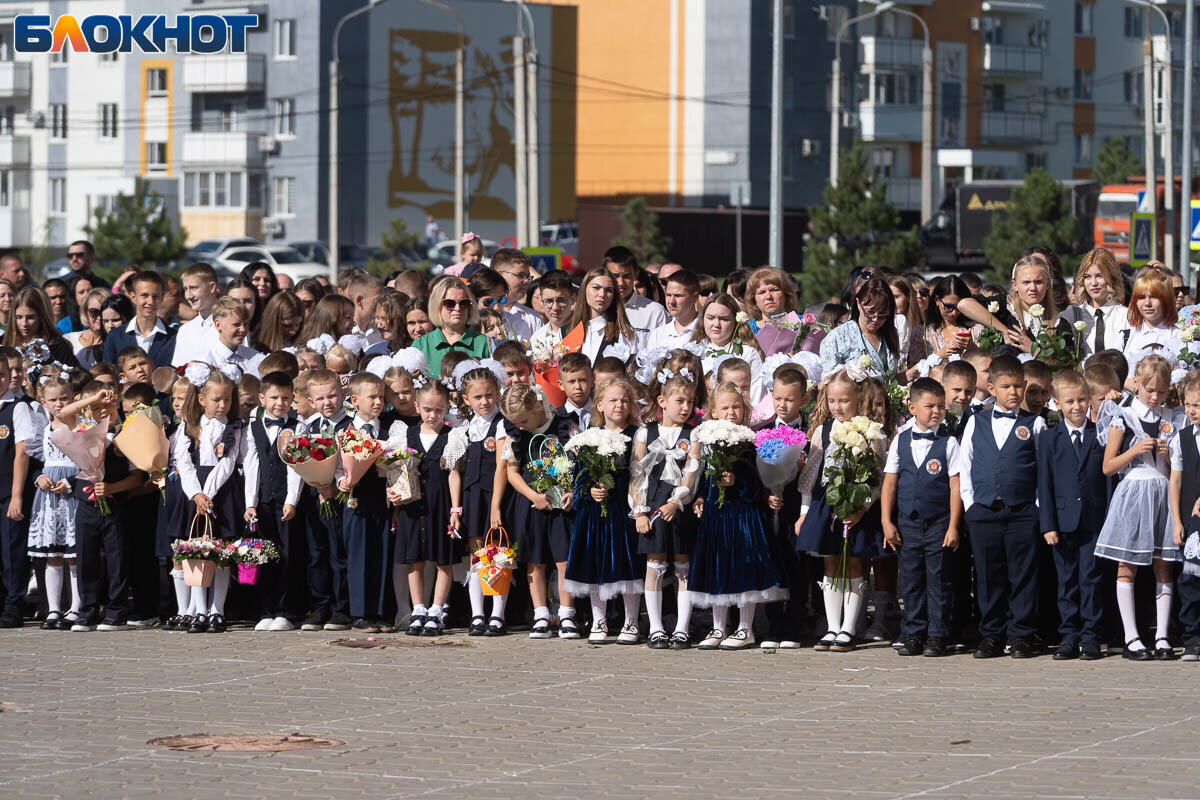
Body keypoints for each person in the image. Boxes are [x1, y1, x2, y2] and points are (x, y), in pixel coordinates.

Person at [954, 354, 1046, 659]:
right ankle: (990, 635)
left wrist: (1034, 507)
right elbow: (965, 464)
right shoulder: (975, 421)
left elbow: (1042, 470)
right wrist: (970, 504)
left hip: (1021, 511)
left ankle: (1021, 634)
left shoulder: (1035, 423)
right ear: (991, 387)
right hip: (984, 509)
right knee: (987, 575)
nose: (1014, 392)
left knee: (1022, 575)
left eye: (1019, 386)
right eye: (1006, 386)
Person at [688, 382, 787, 650]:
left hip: (743, 515)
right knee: (719, 568)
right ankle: (719, 626)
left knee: (744, 569)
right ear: (713, 412)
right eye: (725, 407)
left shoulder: (751, 440)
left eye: (736, 406)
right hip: (716, 516)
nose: (731, 412)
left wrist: (736, 482)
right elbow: (702, 478)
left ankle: (746, 628)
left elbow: (760, 483)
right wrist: (699, 497)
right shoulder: (706, 439)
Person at [1096, 354, 1182, 660]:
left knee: (1164, 564)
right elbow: (1108, 466)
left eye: (1161, 391)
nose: (1156, 397)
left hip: (1164, 492)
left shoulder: (1174, 417)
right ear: (1137, 385)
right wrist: (1134, 450)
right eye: (1150, 391)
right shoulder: (1123, 416)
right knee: (1127, 565)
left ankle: (1161, 636)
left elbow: (1179, 467)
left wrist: (1168, 455)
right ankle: (1132, 637)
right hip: (1134, 491)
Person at [797, 368, 886, 652]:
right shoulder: (823, 431)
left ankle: (849, 627)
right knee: (831, 563)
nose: (838, 407)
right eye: (833, 400)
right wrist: (803, 512)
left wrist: (863, 508)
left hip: (859, 505)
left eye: (844, 401)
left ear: (858, 398)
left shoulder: (870, 431)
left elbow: (880, 478)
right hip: (827, 503)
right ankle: (832, 626)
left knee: (856, 563)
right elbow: (810, 476)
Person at [881, 378, 961, 657]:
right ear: (913, 407)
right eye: (929, 406)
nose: (936, 411)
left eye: (940, 406)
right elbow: (890, 482)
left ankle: (938, 635)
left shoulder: (948, 442)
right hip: (907, 521)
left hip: (938, 521)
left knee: (938, 580)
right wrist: (886, 521)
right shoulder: (901, 439)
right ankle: (913, 633)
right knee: (911, 580)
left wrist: (953, 526)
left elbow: (955, 487)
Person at [563, 377, 645, 644]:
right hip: (594, 515)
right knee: (596, 565)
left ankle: (631, 621)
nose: (619, 405)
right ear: (599, 404)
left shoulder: (637, 435)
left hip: (623, 510)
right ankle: (599, 620)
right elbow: (579, 479)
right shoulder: (589, 438)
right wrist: (590, 491)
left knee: (626, 563)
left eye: (624, 400)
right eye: (612, 400)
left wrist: (612, 485)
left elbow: (640, 475)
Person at [497, 382, 577, 639]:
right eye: (515, 422)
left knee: (564, 559)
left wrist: (571, 492)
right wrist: (533, 495)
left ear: (537, 406)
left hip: (561, 503)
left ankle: (567, 614)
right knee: (535, 560)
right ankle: (540, 614)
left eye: (523, 420)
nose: (520, 426)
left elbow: (578, 463)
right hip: (532, 502)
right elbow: (512, 472)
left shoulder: (564, 426)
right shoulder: (517, 433)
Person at [1038, 370, 1109, 661]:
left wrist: (1108, 521)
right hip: (1063, 522)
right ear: (1057, 403)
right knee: (1066, 580)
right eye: (1070, 401)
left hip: (1094, 521)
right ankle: (1069, 635)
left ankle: (1091, 636)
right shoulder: (1049, 438)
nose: (1077, 406)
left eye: (1082, 400)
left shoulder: (1100, 434)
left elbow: (1106, 481)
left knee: (1090, 579)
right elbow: (1045, 482)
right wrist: (1048, 524)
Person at [631, 371, 700, 650]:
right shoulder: (645, 432)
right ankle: (657, 628)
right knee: (655, 563)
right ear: (662, 401)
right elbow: (637, 474)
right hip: (652, 506)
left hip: (678, 506)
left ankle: (682, 628)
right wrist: (640, 511)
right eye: (680, 401)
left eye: (691, 402)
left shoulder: (693, 434)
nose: (686, 408)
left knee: (683, 563)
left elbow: (692, 471)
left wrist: (677, 500)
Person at [173, 363, 243, 634]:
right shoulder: (189, 426)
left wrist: (209, 493)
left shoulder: (234, 427)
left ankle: (217, 610)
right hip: (195, 491)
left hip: (222, 491)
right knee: (196, 550)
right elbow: (183, 462)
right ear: (202, 400)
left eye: (227, 399)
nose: (223, 405)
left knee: (221, 552)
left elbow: (229, 462)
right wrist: (196, 494)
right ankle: (199, 610)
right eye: (217, 399)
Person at [387, 376, 455, 637]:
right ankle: (418, 609)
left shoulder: (453, 436)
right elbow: (393, 470)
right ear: (417, 407)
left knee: (443, 558)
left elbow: (454, 474)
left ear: (447, 408)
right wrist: (392, 494)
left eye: (439, 410)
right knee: (414, 558)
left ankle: (437, 610)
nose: (432, 415)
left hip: (442, 503)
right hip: (412, 504)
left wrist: (455, 509)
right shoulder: (405, 434)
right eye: (427, 409)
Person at [444, 359, 507, 635]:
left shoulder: (503, 426)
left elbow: (503, 467)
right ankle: (477, 614)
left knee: (499, 553)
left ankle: (497, 614)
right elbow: (454, 472)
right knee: (476, 554)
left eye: (489, 395)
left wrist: (495, 505)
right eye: (478, 397)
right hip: (471, 498)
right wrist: (455, 508)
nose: (485, 402)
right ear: (466, 399)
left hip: (496, 497)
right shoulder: (462, 430)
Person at [243, 371, 303, 632]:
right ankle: (264, 610)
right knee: (261, 554)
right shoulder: (253, 427)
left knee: (287, 555)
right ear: (261, 398)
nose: (280, 403)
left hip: (285, 502)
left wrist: (292, 499)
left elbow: (296, 466)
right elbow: (251, 465)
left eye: (286, 398)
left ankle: (286, 610)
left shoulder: (297, 426)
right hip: (262, 501)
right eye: (274, 397)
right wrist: (250, 503)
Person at [335, 372, 392, 634]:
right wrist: (341, 482)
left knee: (381, 552)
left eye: (381, 396)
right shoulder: (345, 431)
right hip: (355, 500)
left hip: (382, 497)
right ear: (355, 400)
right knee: (358, 555)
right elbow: (335, 466)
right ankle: (359, 613)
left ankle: (380, 610)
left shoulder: (390, 427)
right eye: (372, 397)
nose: (378, 402)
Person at [26, 371, 80, 630]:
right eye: (53, 399)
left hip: (71, 493)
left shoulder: (80, 427)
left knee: (73, 555)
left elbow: (88, 463)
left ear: (73, 398)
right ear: (43, 401)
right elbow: (36, 465)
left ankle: (77, 607)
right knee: (53, 555)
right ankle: (54, 608)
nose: (59, 404)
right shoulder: (43, 430)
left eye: (64, 398)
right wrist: (40, 479)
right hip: (48, 498)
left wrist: (71, 483)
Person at [1170, 372, 1200, 662]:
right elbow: (1176, 480)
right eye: (1188, 404)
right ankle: (1193, 637)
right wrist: (1177, 520)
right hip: (1193, 523)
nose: (1192, 411)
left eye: (1198, 405)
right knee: (1190, 576)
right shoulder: (1180, 438)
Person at [819, 276, 901, 379]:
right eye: (870, 312)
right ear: (858, 304)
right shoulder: (838, 337)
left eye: (882, 315)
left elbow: (892, 378)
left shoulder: (891, 334)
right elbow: (827, 382)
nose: (875, 319)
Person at [693, 293, 765, 403]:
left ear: (735, 321)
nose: (716, 324)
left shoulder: (747, 353)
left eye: (724, 319)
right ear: (703, 319)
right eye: (710, 318)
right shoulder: (694, 351)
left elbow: (757, 396)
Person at [1060, 248, 1131, 359]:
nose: (1093, 283)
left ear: (1112, 277)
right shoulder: (1070, 316)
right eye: (1087, 277)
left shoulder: (1126, 317)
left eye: (1099, 276)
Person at [412, 278, 490, 375]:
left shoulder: (486, 344)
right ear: (436, 305)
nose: (457, 308)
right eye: (449, 303)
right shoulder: (420, 345)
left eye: (463, 303)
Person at [101, 271, 175, 368]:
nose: (150, 302)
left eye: (155, 296)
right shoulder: (115, 336)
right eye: (144, 295)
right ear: (133, 297)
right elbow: (107, 374)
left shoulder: (174, 337)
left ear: (162, 298)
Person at [905, 276, 973, 381]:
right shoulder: (922, 332)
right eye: (949, 307)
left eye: (959, 307)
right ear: (937, 300)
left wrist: (972, 348)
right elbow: (914, 374)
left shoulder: (975, 329)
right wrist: (939, 355)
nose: (954, 313)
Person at [602, 247, 667, 349]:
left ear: (636, 274)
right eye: (615, 276)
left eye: (626, 276)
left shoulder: (655, 312)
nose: (621, 282)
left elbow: (663, 351)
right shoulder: (595, 310)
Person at [569, 269, 635, 365]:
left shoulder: (624, 333)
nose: (602, 294)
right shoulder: (566, 330)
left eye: (608, 290)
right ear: (584, 289)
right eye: (596, 288)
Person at [172, 264, 220, 367]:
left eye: (194, 288)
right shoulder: (185, 330)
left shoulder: (233, 324)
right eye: (185, 289)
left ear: (212, 287)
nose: (189, 296)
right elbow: (179, 372)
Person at [204, 297, 266, 378]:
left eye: (246, 324)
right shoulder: (207, 363)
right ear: (218, 325)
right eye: (236, 324)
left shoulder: (255, 357)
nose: (243, 329)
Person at [63, 287, 111, 370]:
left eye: (104, 311)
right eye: (94, 311)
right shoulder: (68, 340)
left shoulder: (114, 344)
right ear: (85, 311)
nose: (99, 317)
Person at [743, 267, 799, 335]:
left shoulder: (803, 324)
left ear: (786, 294)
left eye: (774, 290)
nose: (768, 296)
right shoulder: (746, 331)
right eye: (761, 292)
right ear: (753, 299)